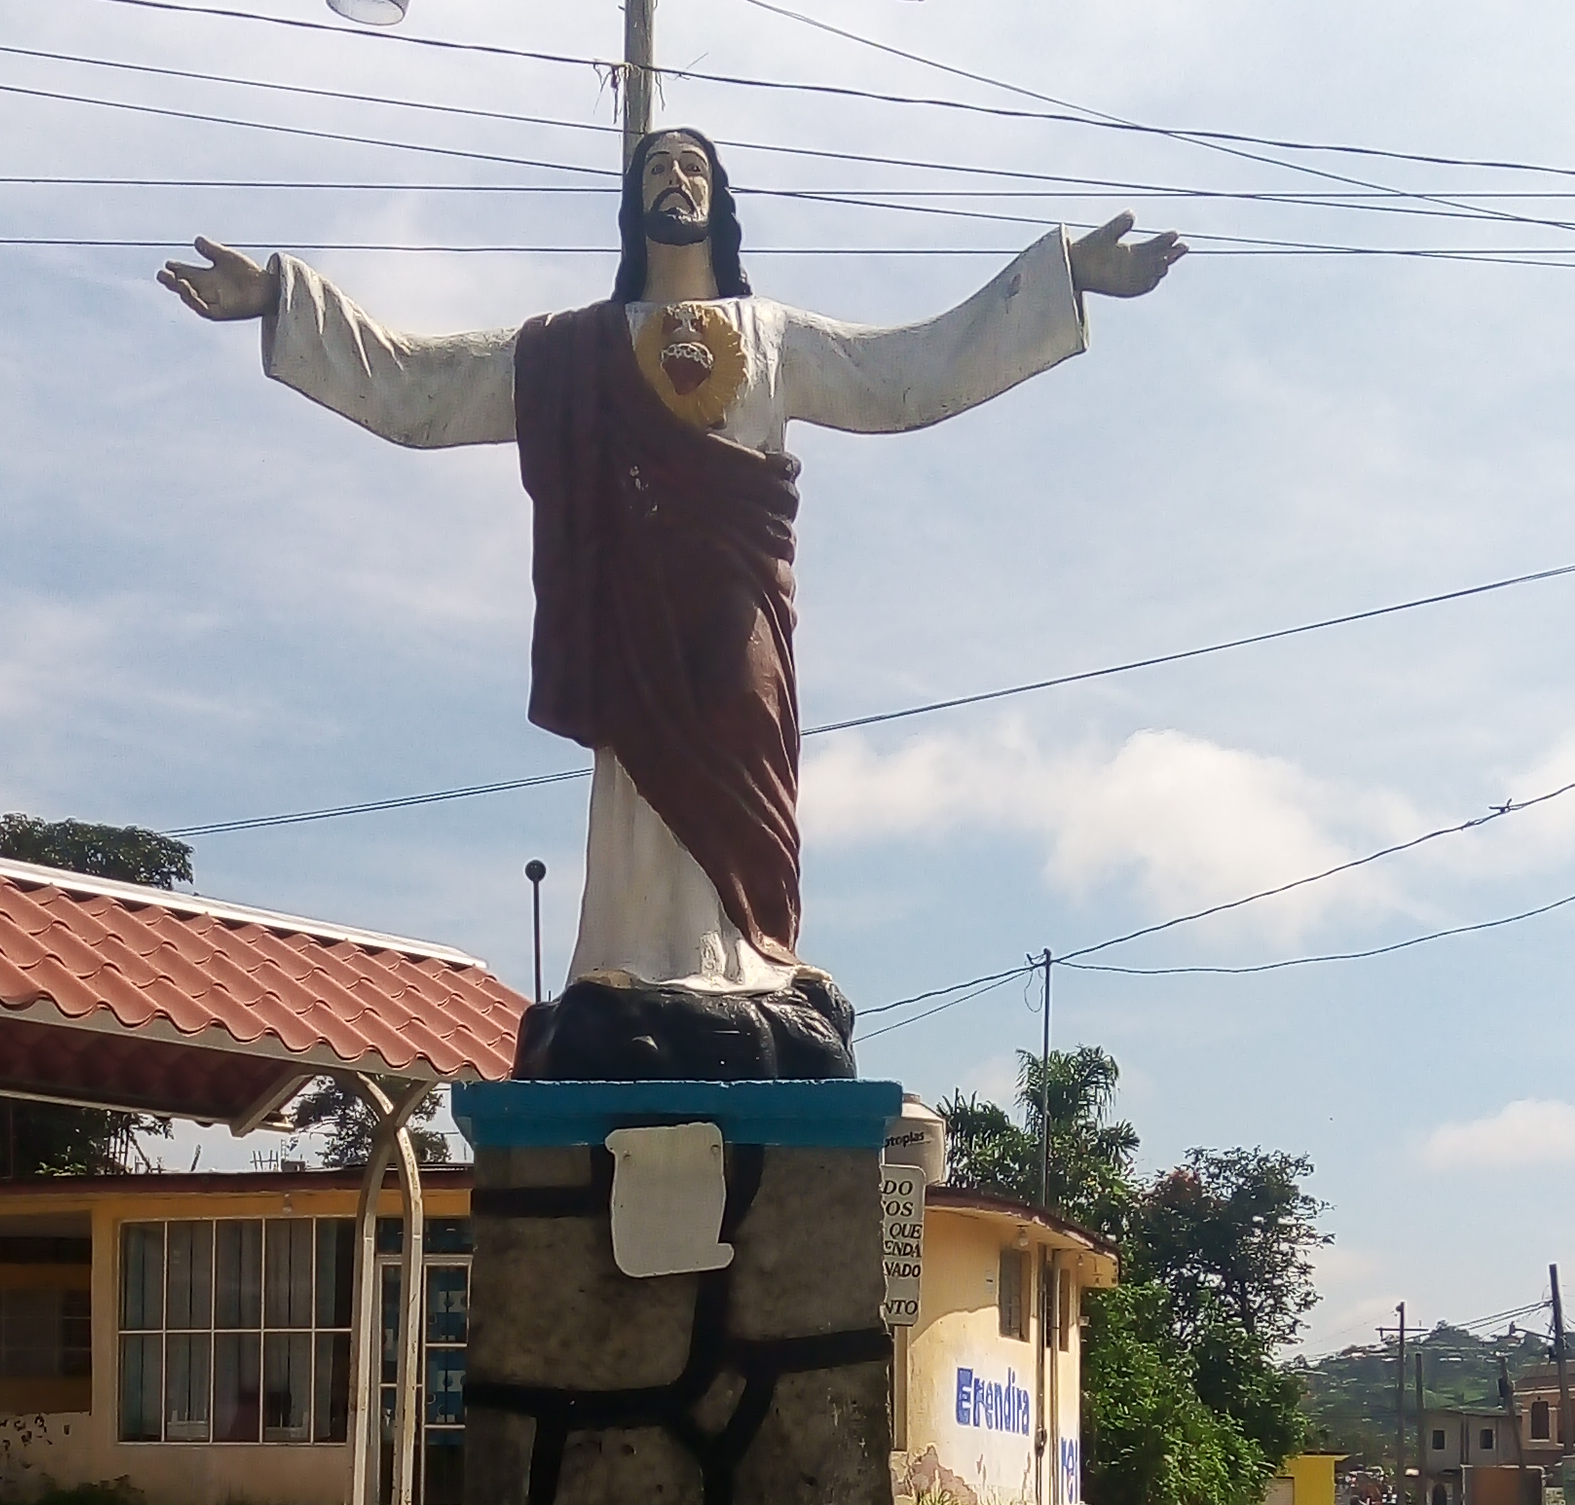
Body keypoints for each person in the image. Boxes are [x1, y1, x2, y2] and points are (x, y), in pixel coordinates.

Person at [162, 133, 1181, 1064]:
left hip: (736, 618)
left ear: (721, 200)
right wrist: (285, 299)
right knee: (637, 791)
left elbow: (906, 372)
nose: (674, 180)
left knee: (746, 785)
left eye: (693, 168)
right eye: (656, 170)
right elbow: (423, 383)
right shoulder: (574, 349)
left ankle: (748, 967)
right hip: (632, 622)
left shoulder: (769, 333)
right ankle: (636, 964)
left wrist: (1061, 279)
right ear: (632, 208)